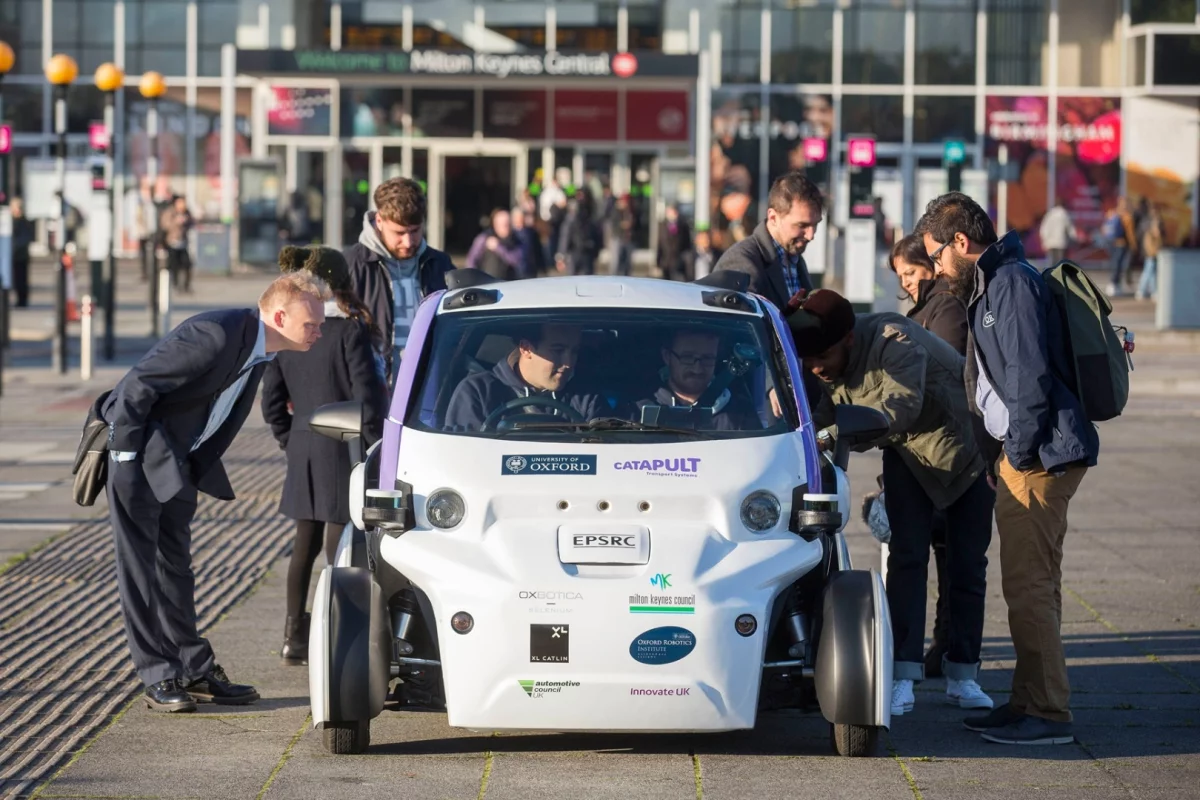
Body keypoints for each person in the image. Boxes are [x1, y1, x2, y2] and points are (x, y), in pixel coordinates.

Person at [101, 271, 330, 713]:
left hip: (177, 464)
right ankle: (158, 674)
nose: (319, 331)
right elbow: (136, 386)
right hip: (137, 458)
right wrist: (125, 458)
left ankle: (193, 668)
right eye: (312, 324)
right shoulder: (216, 333)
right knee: (140, 572)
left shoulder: (261, 352)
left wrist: (190, 464)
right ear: (280, 316)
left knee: (177, 570)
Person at [917, 191, 1099, 746]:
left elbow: (1030, 380)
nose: (935, 268)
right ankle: (1027, 699)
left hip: (1040, 457)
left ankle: (1047, 711)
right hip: (1027, 454)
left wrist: (1015, 452)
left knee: (1029, 587)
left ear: (961, 243)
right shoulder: (994, 282)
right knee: (1032, 584)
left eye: (937, 256)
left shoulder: (1011, 282)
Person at [789, 288, 995, 718]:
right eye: (808, 362)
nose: (817, 369)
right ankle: (903, 675)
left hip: (967, 451)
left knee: (966, 566)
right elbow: (820, 415)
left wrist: (833, 432)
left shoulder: (893, 340)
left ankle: (964, 675)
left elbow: (899, 406)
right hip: (908, 457)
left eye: (822, 357)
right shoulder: (821, 364)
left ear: (847, 339)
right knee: (906, 561)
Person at [261, 246, 388, 665]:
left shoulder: (289, 334)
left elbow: (271, 404)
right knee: (341, 548)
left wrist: (290, 440)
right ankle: (340, 633)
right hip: (343, 447)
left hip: (303, 449)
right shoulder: (348, 331)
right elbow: (367, 399)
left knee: (304, 546)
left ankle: (293, 636)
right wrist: (374, 452)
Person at [879, 234, 971, 679]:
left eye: (912, 273)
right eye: (901, 277)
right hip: (925, 451)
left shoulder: (945, 309)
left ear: (932, 267)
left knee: (951, 558)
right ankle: (933, 651)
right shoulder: (924, 309)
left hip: (944, 453)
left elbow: (944, 376)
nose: (908, 283)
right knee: (931, 555)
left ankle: (949, 652)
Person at [346, 177, 456, 388]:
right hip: (372, 388)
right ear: (379, 221)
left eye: (415, 231)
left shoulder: (440, 263)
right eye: (399, 233)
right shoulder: (352, 265)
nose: (408, 242)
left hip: (428, 387)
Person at [444, 323, 603, 431]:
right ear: (526, 348)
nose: (568, 363)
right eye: (558, 350)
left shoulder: (586, 397)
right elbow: (463, 456)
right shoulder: (478, 391)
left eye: (574, 351)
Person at [713, 171, 823, 311]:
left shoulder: (794, 260)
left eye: (816, 225)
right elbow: (740, 327)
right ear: (773, 218)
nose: (810, 235)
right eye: (802, 225)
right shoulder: (742, 262)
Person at [634, 327, 761, 431]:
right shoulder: (636, 409)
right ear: (667, 357)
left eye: (707, 358)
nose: (697, 368)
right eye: (687, 357)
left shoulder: (740, 413)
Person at [555, 189, 604, 276]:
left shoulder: (590, 215)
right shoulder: (574, 217)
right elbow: (566, 235)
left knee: (585, 281)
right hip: (575, 252)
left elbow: (597, 233)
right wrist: (561, 256)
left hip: (586, 252)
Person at [465, 208, 524, 280]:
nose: (506, 227)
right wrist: (474, 278)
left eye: (508, 224)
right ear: (495, 225)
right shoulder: (484, 238)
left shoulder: (516, 240)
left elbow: (516, 260)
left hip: (509, 284)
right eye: (503, 224)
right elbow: (471, 260)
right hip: (487, 283)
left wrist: (498, 248)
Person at [163, 195, 194, 293]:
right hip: (172, 242)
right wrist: (176, 222)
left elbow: (192, 223)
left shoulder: (187, 213)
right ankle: (175, 284)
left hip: (183, 243)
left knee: (187, 264)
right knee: (173, 265)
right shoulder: (170, 212)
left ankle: (186, 285)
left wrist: (187, 221)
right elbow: (165, 225)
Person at [657, 204, 693, 281]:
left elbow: (687, 243)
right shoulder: (662, 225)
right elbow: (660, 244)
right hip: (666, 261)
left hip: (679, 259)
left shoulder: (683, 225)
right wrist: (658, 261)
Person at [10, 197, 34, 308]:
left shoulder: (24, 222)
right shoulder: (9, 221)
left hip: (20, 256)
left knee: (21, 279)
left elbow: (24, 239)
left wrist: (14, 247)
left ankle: (22, 300)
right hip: (12, 256)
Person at [1136, 205, 1163, 301]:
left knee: (1151, 274)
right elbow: (1149, 246)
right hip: (1151, 255)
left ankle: (1152, 291)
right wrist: (1154, 253)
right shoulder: (1149, 234)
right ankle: (1142, 290)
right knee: (1148, 273)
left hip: (1152, 255)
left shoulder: (1154, 231)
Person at [511, 207, 546, 279]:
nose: (521, 220)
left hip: (531, 268)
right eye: (518, 217)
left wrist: (542, 267)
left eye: (522, 217)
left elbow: (538, 250)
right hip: (516, 270)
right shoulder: (511, 234)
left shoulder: (531, 232)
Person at [1039, 198, 1074, 267]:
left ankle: (1052, 276)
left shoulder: (1049, 214)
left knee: (1052, 262)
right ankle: (1059, 276)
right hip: (1061, 242)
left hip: (1050, 242)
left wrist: (1044, 241)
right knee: (1060, 263)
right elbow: (1069, 229)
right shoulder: (1064, 214)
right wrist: (1074, 238)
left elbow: (1043, 229)